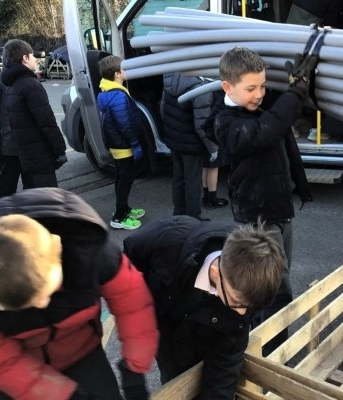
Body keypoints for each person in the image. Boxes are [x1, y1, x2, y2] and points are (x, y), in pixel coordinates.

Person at [0, 187, 159, 400]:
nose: (42, 304)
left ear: (57, 251)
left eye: (44, 293)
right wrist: (65, 395)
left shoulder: (93, 251)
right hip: (15, 364)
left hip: (81, 353)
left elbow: (134, 306)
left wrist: (134, 370)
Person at [213, 47, 314, 352]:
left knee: (277, 279)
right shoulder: (226, 122)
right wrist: (296, 92)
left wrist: (297, 86)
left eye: (263, 86)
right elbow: (265, 132)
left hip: (279, 211)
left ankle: (264, 345)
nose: (259, 94)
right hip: (257, 218)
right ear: (227, 87)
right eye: (251, 88)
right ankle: (271, 354)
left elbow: (281, 115)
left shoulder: (258, 105)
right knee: (273, 290)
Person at [123, 215, 284, 399]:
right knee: (174, 380)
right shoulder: (171, 239)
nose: (242, 314)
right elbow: (128, 256)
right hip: (165, 322)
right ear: (217, 273)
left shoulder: (248, 292)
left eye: (249, 307)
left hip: (209, 331)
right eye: (236, 302)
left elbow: (224, 370)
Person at [1, 39, 67, 189]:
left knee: (34, 199)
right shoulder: (29, 84)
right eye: (32, 55)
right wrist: (59, 149)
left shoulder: (12, 85)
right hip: (40, 155)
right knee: (47, 202)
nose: (35, 59)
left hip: (26, 155)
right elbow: (46, 121)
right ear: (25, 58)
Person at [160, 72, 223, 220]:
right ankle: (193, 219)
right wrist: (213, 148)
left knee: (178, 178)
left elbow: (162, 109)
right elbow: (201, 126)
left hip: (174, 140)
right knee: (192, 182)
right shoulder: (201, 89)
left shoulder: (169, 79)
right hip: (192, 144)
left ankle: (179, 214)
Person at [97, 55, 146, 230]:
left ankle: (124, 208)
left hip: (117, 145)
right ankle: (119, 217)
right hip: (124, 146)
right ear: (117, 74)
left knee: (121, 176)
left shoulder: (109, 91)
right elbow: (124, 123)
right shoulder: (118, 96)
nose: (126, 71)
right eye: (124, 69)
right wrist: (134, 143)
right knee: (125, 179)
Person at [0, 71, 30, 199]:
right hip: (10, 148)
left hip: (30, 145)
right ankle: (3, 217)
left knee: (33, 189)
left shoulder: (27, 78)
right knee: (7, 189)